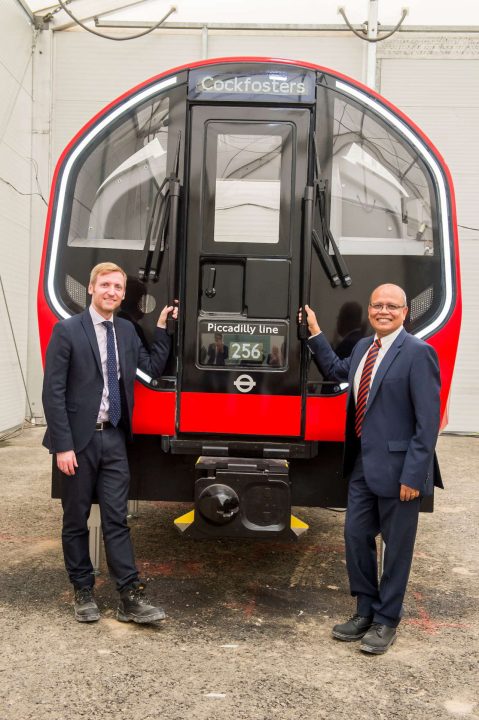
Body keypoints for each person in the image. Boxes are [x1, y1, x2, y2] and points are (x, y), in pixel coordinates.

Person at [300, 284, 442, 654]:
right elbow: (335, 370)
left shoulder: (418, 353)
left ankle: (386, 620)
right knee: (355, 537)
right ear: (369, 309)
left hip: (401, 471)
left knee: (396, 549)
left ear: (404, 312)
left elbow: (428, 422)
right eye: (377, 305)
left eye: (391, 306)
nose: (383, 311)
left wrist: (414, 475)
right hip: (363, 464)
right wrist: (315, 332)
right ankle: (364, 609)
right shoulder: (364, 347)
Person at [42, 262, 178, 624]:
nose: (112, 292)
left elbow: (151, 366)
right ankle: (83, 590)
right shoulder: (67, 331)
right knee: (75, 520)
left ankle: (129, 596)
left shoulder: (127, 332)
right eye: (105, 285)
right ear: (91, 288)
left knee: (118, 519)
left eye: (118, 287)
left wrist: (162, 328)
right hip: (78, 443)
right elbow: (52, 393)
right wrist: (62, 446)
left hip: (115, 438)